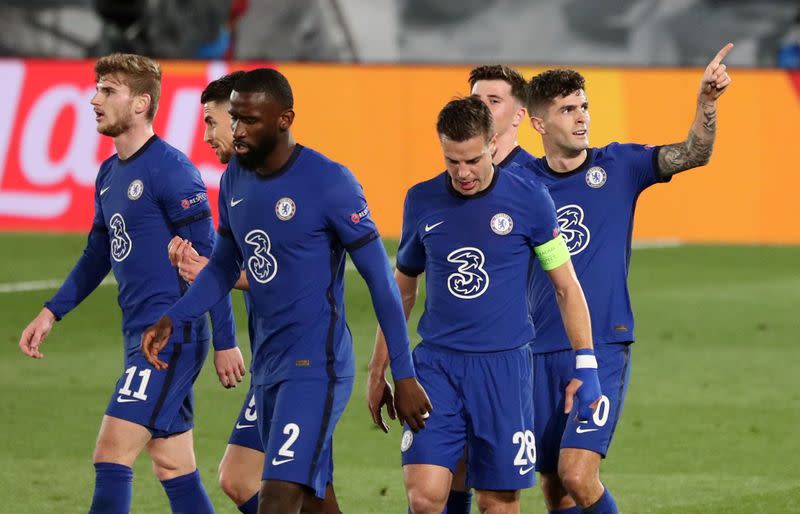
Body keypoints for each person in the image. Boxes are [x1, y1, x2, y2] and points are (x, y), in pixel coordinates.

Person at [141, 68, 431, 514]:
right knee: (316, 501)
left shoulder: (330, 182)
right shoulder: (236, 178)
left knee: (277, 501)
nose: (237, 131)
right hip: (269, 368)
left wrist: (404, 373)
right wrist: (175, 316)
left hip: (316, 366)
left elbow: (381, 282)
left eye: (249, 120)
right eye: (234, 118)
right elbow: (223, 265)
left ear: (284, 119)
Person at [17, 52, 244, 514]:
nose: (94, 100)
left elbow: (212, 262)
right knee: (172, 463)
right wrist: (51, 310)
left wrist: (225, 340)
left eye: (107, 91)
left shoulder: (172, 170)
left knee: (111, 451)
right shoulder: (108, 174)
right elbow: (98, 254)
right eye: (96, 88)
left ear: (141, 104)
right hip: (136, 333)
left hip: (168, 337)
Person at [519, 44, 733, 514]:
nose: (581, 118)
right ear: (538, 123)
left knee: (578, 472)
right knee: (554, 480)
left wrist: (707, 104)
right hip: (534, 349)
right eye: (567, 109)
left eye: (584, 107)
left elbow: (693, 153)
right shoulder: (518, 179)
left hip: (602, 346)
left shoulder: (619, 165)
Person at [367, 96, 601, 514]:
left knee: (498, 504)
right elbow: (401, 289)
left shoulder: (530, 200)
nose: (462, 173)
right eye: (452, 161)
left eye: (472, 160)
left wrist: (587, 363)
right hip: (436, 366)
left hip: (504, 370)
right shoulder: (421, 201)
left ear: (493, 145)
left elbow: (566, 287)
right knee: (424, 496)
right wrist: (379, 368)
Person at [167, 70, 342, 514]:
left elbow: (288, 270)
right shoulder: (235, 184)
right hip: (271, 358)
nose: (207, 135)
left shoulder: (302, 179)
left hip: (308, 361)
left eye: (213, 122)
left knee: (266, 485)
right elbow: (243, 266)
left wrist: (212, 280)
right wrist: (201, 287)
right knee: (299, 491)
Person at [468, 64, 535, 168]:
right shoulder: (455, 176)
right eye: (475, 100)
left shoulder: (536, 180)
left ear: (518, 116)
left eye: (493, 101)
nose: (480, 107)